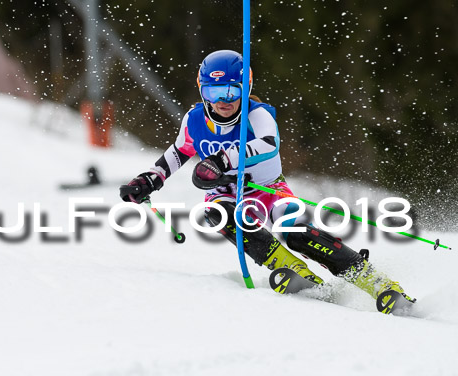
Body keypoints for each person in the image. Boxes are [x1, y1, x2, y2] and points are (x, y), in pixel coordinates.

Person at [119, 50, 414, 312]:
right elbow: (178, 152)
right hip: (227, 194)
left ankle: (377, 283)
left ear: (245, 88)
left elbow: (268, 144)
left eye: (232, 91)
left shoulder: (257, 114)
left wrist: (223, 160)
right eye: (214, 92)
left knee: (294, 230)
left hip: (269, 189)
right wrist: (149, 181)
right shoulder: (194, 119)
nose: (224, 101)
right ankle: (293, 270)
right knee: (218, 213)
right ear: (202, 90)